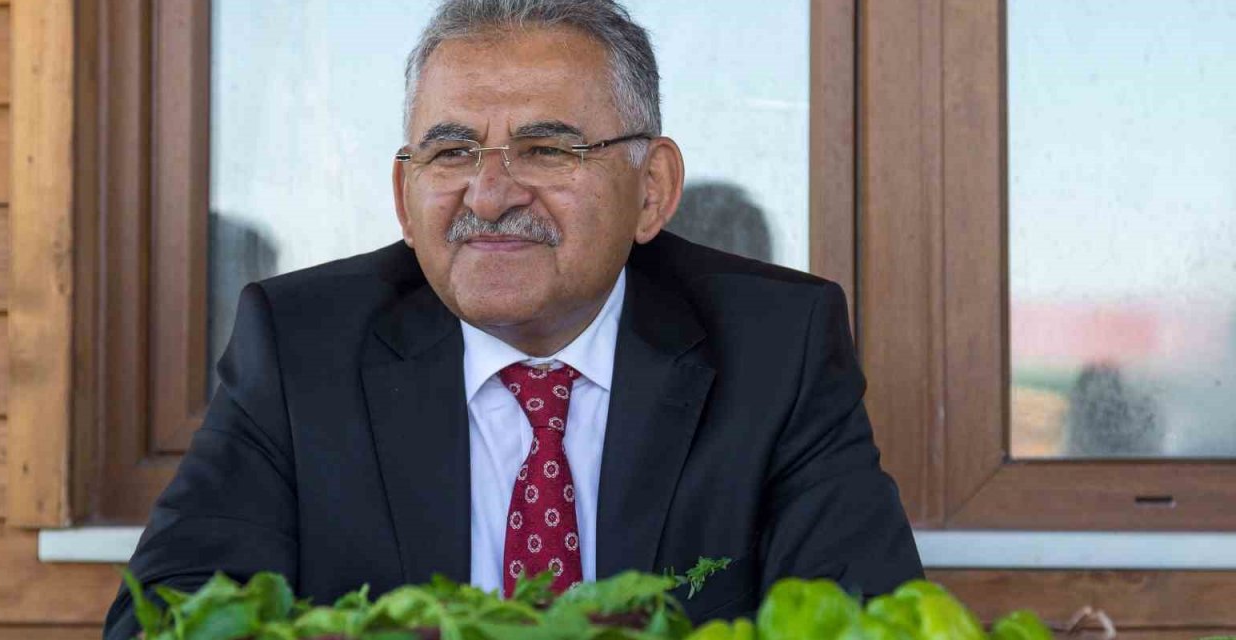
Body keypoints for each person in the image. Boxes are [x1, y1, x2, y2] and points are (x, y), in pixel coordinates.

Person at [104, 1, 921, 637]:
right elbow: (168, 618)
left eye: (547, 149)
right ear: (405, 198)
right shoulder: (299, 346)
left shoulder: (777, 347)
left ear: (651, 191)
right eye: (452, 152)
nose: (490, 195)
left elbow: (870, 621)